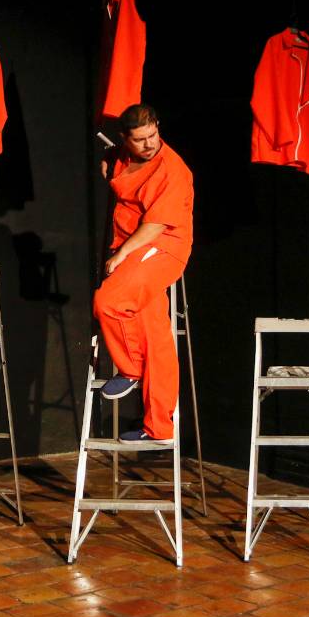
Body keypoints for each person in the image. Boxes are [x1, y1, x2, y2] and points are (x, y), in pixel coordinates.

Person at [93, 105, 194, 441]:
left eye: (153, 135)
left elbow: (156, 225)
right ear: (126, 138)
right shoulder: (123, 154)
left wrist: (123, 253)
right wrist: (108, 158)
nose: (149, 144)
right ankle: (159, 427)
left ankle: (130, 368)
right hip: (133, 248)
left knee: (109, 302)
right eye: (140, 140)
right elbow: (116, 159)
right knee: (155, 338)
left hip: (161, 246)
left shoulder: (172, 169)